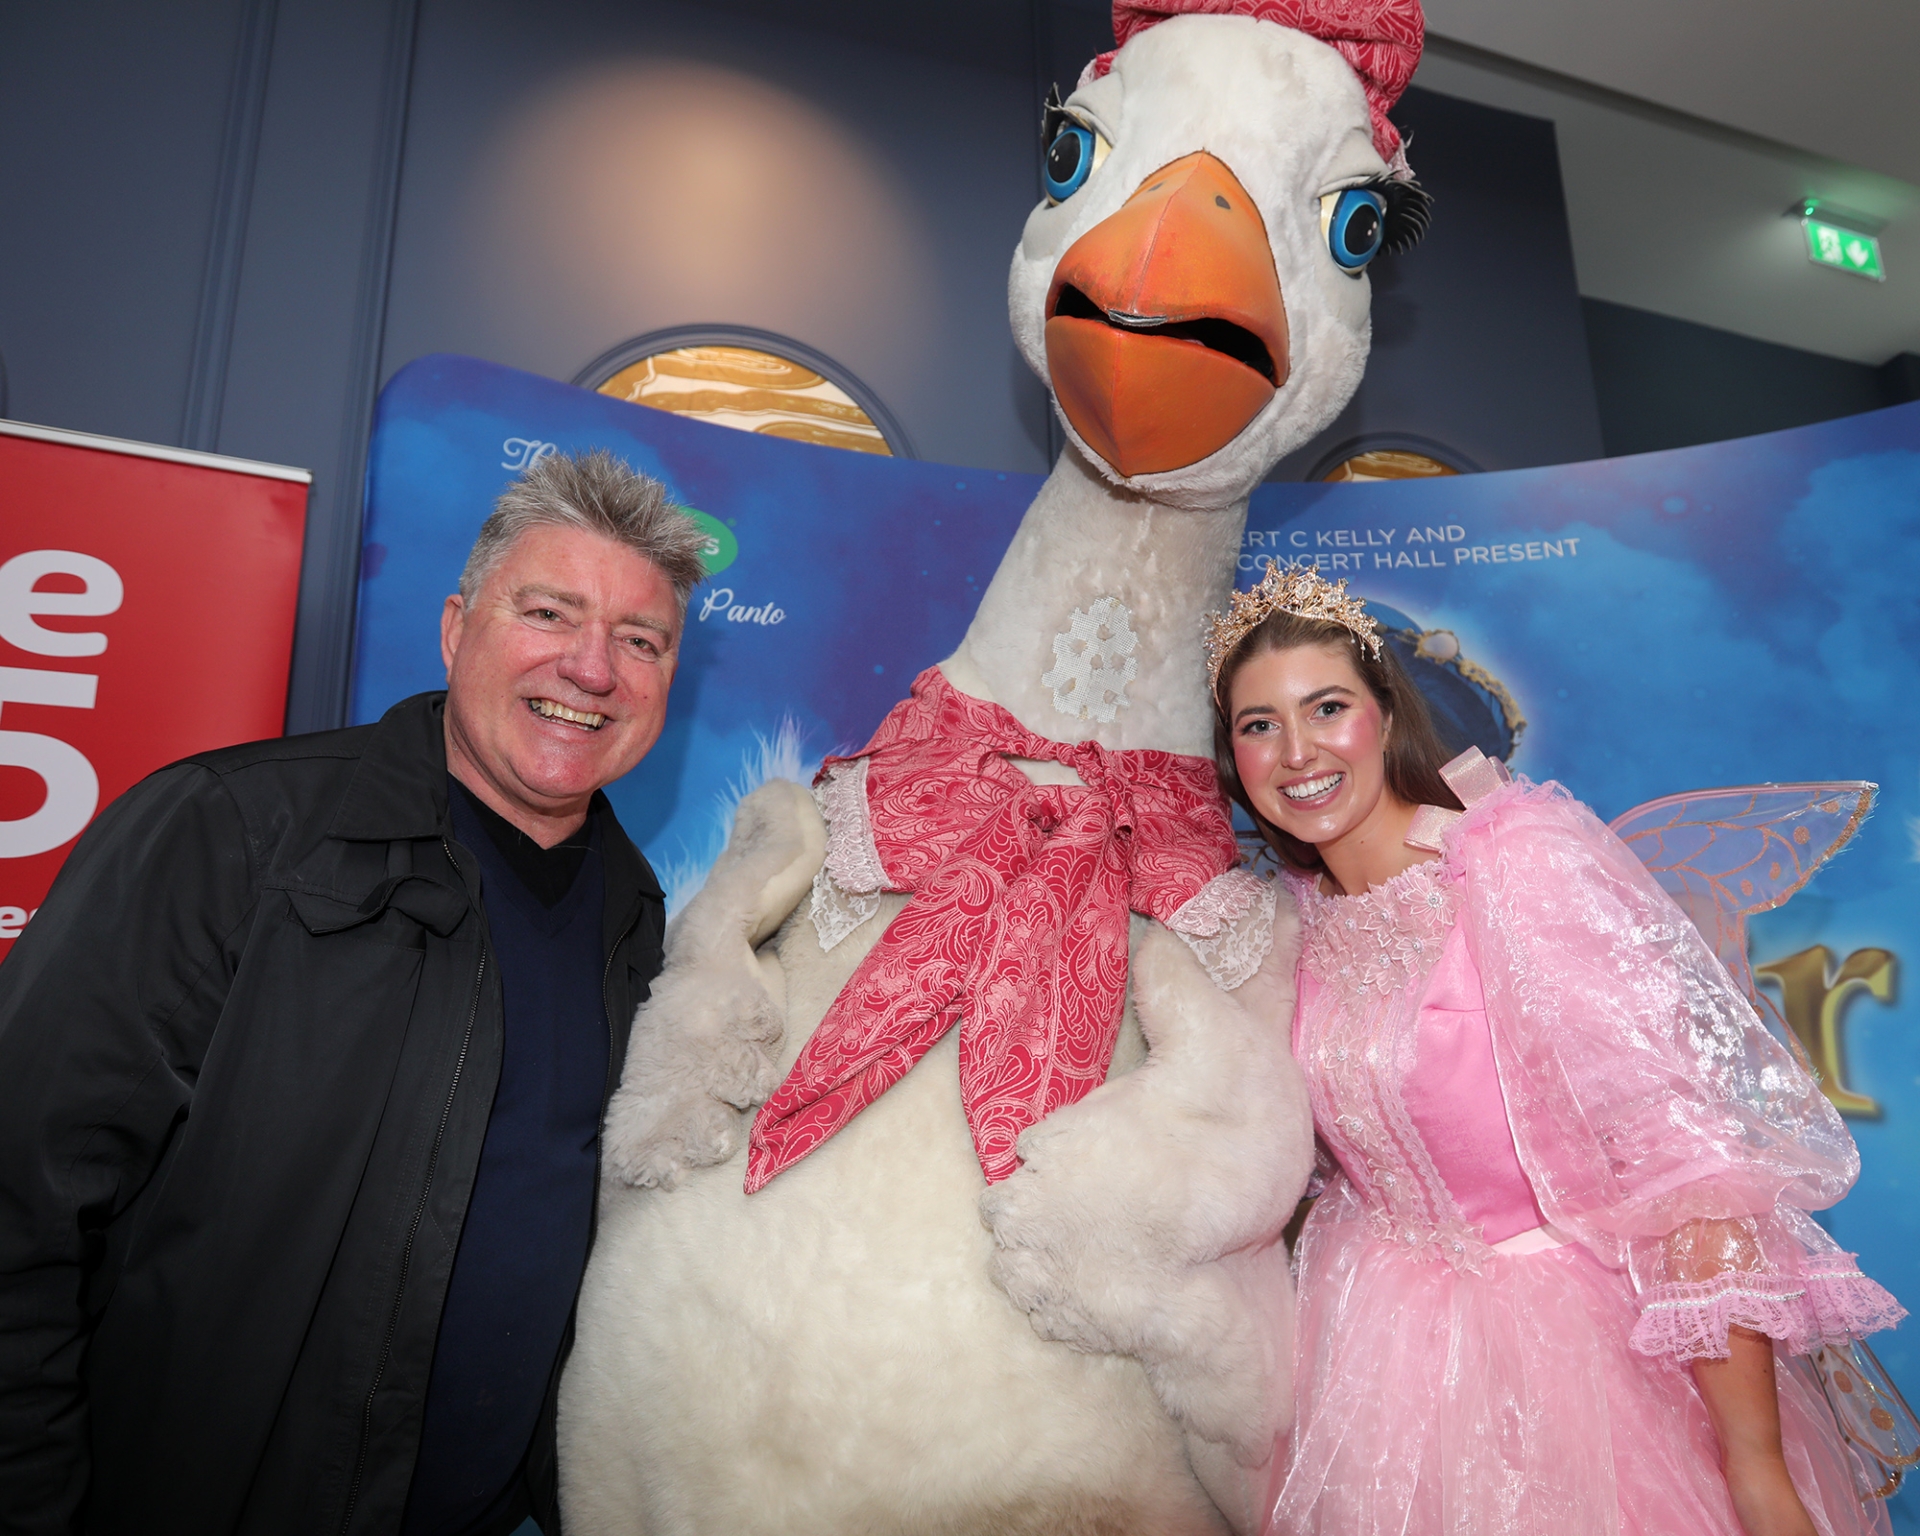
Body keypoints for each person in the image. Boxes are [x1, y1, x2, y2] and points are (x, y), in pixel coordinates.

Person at [0, 449, 708, 1536]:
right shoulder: (230, 834)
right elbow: (20, 1209)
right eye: (549, 613)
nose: (591, 668)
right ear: (456, 630)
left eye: (640, 640)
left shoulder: (636, 913)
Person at [1204, 560, 1907, 1536]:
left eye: (1328, 707)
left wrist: (1754, 1465)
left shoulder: (1514, 866)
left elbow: (1685, 1171)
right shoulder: (1288, 925)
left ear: (1387, 716)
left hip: (1580, 1371)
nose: (1297, 751)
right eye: (1259, 724)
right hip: (1368, 1364)